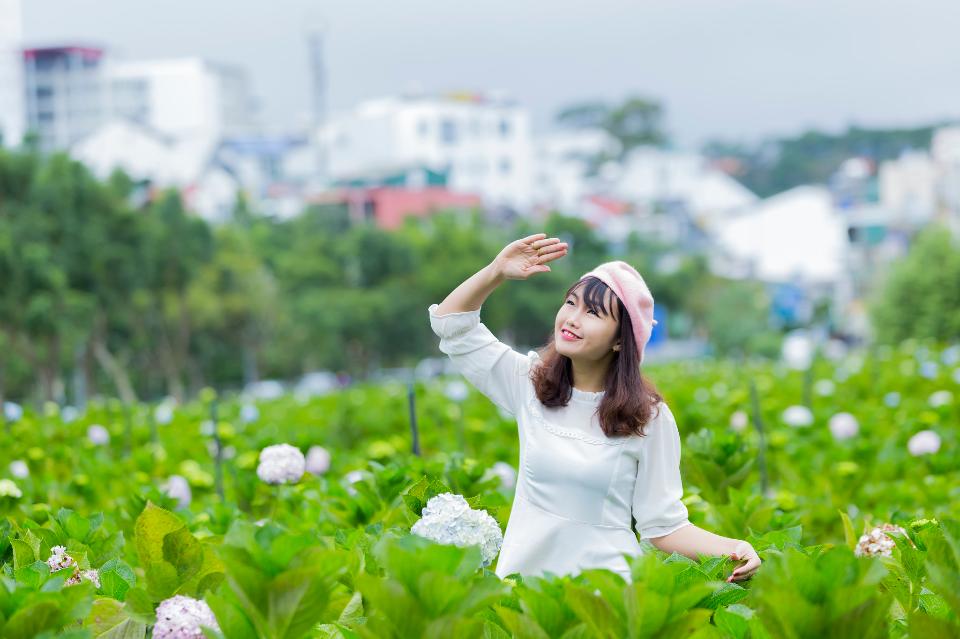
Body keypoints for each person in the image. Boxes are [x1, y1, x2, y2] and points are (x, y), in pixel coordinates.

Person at [428, 233, 761, 583]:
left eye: (593, 313)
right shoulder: (529, 384)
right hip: (524, 592)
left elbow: (663, 526)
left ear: (621, 340)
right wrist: (496, 271)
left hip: (606, 596)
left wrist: (735, 547)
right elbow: (453, 326)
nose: (572, 318)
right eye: (571, 303)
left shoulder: (648, 416)